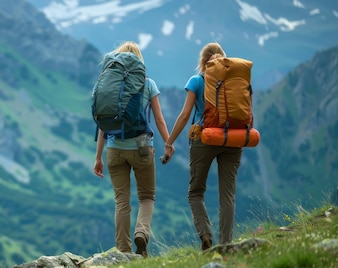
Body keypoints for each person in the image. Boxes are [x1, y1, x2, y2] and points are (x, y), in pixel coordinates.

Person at [93, 41, 170, 258]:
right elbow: (159, 119)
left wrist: (98, 156)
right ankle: (141, 233)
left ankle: (123, 251)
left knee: (121, 201)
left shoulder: (109, 85)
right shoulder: (147, 83)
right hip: (142, 144)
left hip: (114, 148)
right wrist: (168, 143)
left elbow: (103, 124)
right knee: (146, 197)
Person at [162, 42, 242, 251]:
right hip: (232, 138)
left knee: (195, 192)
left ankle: (206, 236)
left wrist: (169, 142)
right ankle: (226, 245)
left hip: (204, 138)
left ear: (203, 62)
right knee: (228, 195)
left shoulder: (197, 80)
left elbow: (185, 114)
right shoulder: (235, 80)